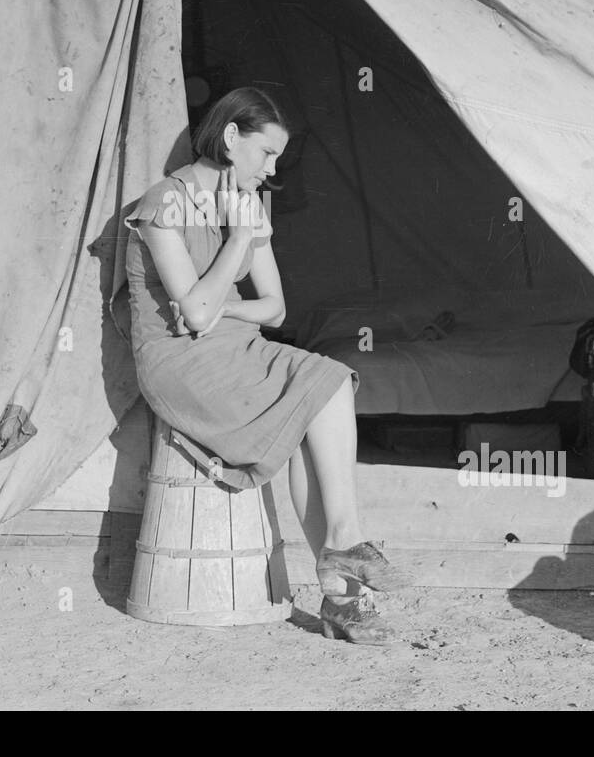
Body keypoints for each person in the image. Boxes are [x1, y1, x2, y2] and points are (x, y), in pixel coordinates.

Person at [122, 87, 409, 645]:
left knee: (326, 384)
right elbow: (194, 320)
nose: (273, 169)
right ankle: (342, 572)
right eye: (267, 153)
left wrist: (223, 303)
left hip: (234, 344)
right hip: (178, 361)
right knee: (321, 387)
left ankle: (341, 572)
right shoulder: (165, 203)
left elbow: (274, 309)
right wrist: (235, 238)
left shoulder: (249, 205)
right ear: (231, 138)